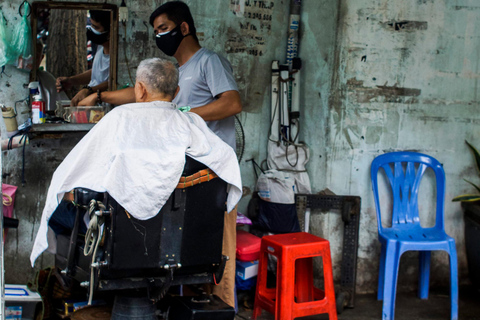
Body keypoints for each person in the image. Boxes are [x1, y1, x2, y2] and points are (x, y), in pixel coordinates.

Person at [78, 1, 241, 307]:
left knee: (218, 255)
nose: (159, 36)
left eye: (163, 29)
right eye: (155, 32)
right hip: (183, 176)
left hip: (213, 177)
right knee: (188, 257)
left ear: (184, 28)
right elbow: (143, 93)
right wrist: (98, 95)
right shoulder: (177, 73)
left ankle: (222, 310)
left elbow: (231, 103)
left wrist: (185, 115)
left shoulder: (209, 62)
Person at [31, 58, 243, 285]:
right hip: (178, 238)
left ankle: (67, 285)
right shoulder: (193, 125)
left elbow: (70, 175)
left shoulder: (120, 119)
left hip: (121, 237)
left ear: (139, 89)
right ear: (177, 91)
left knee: (56, 210)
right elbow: (226, 164)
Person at [56, 10, 111, 106]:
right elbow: (96, 73)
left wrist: (89, 90)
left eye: (96, 27)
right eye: (92, 25)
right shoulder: (100, 47)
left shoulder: (118, 58)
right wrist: (72, 80)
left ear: (109, 32)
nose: (91, 29)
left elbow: (114, 81)